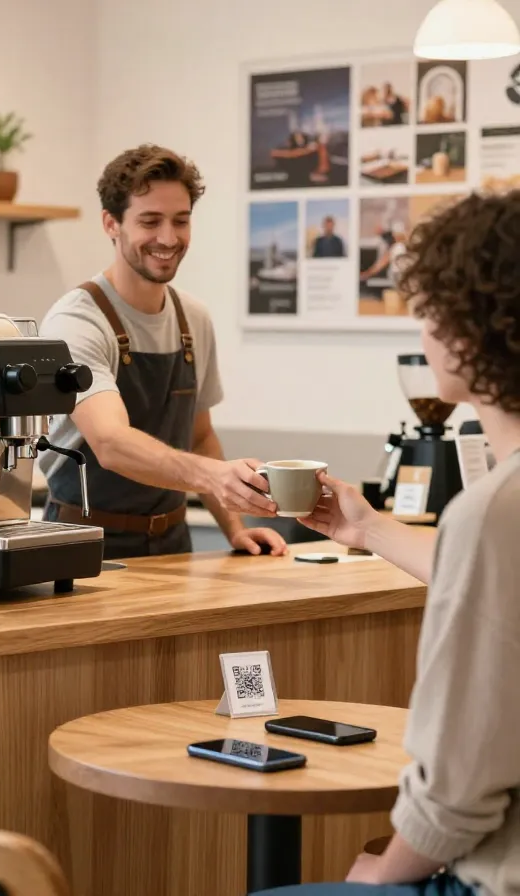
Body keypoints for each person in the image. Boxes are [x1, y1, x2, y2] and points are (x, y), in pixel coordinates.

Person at [260, 190, 520, 894]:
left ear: (470, 329)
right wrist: (366, 527)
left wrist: (380, 876)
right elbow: (493, 585)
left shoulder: (494, 512)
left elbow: (454, 797)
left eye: (429, 310)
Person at [39, 144, 286, 560]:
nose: (168, 238)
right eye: (150, 221)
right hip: (81, 545)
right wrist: (216, 477)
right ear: (111, 224)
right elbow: (111, 442)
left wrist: (235, 529)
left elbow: (200, 436)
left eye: (181, 221)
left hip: (173, 546)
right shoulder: (76, 323)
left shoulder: (193, 319)